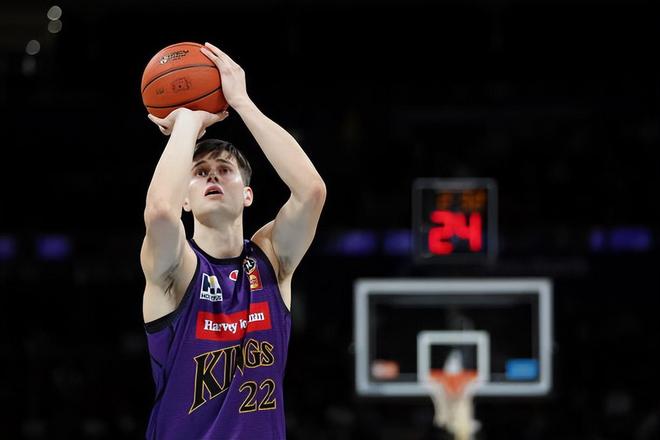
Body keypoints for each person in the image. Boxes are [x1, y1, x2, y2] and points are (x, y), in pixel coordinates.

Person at [140, 42, 326, 439]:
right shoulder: (178, 269)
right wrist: (187, 122)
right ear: (185, 200)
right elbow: (159, 213)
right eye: (199, 172)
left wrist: (242, 102)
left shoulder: (271, 259)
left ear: (247, 195)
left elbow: (311, 191)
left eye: (224, 169)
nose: (212, 175)